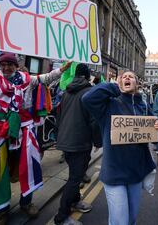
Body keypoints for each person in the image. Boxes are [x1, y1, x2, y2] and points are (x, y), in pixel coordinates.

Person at [0, 18, 72, 222]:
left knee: (29, 165)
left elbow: (46, 78)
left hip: (24, 128)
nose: (6, 67)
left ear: (16, 65)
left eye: (10, 64)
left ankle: (26, 202)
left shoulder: (26, 79)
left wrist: (62, 70)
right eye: (3, 64)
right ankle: (1, 210)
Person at [82, 71, 158, 225]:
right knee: (120, 221)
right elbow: (87, 99)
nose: (127, 78)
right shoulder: (109, 104)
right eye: (123, 76)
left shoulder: (143, 106)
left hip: (136, 173)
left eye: (131, 76)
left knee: (131, 218)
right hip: (114, 173)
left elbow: (154, 137)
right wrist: (116, 87)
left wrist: (156, 128)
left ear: (137, 84)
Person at [54, 64, 102, 225]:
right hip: (79, 142)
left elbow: (58, 116)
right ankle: (62, 217)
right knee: (75, 178)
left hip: (66, 141)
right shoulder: (89, 92)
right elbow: (94, 121)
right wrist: (98, 141)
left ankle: (75, 202)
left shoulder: (66, 91)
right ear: (88, 77)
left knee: (75, 175)